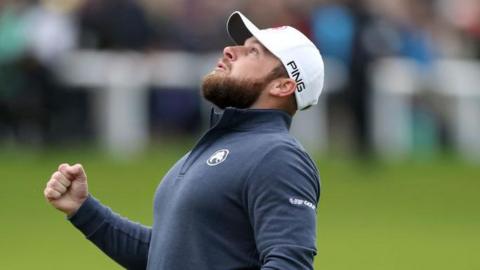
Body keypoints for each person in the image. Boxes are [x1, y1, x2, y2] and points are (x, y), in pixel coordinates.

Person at [43, 11, 324, 270]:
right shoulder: (217, 146)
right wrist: (84, 210)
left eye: (252, 52)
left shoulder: (278, 156)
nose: (229, 50)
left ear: (283, 85)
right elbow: (163, 254)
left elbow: (290, 263)